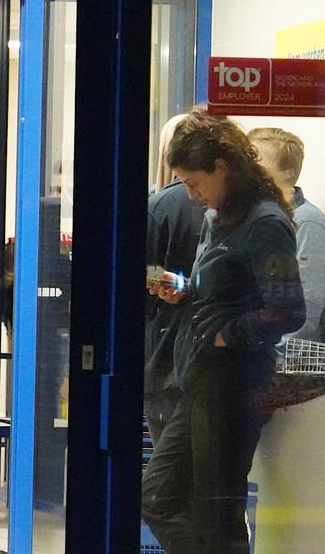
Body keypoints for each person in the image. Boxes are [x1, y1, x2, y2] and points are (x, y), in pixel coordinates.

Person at [141, 110, 305, 554]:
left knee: (217, 514)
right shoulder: (224, 217)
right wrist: (186, 289)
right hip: (200, 381)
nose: (191, 195)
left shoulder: (266, 222)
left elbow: (288, 311)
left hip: (234, 383)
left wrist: (224, 335)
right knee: (159, 497)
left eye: (194, 182)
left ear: (222, 167)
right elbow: (230, 290)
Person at [144, 113, 206, 445]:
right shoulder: (237, 206)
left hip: (165, 356)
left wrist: (166, 281)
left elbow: (141, 271)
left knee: (168, 472)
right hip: (213, 358)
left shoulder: (160, 206)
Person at [248, 127, 325, 342]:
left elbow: (308, 309)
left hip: (283, 367)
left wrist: (274, 356)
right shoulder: (260, 218)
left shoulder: (306, 223)